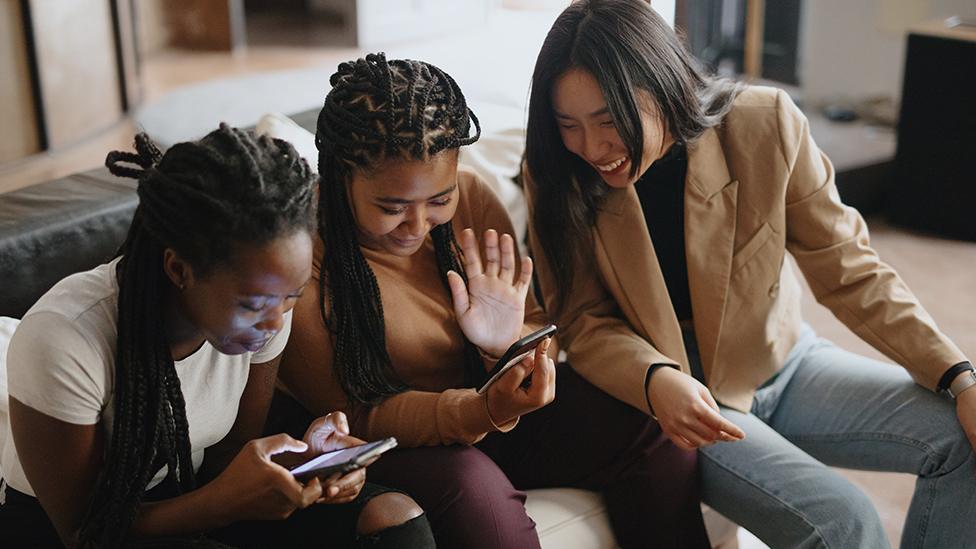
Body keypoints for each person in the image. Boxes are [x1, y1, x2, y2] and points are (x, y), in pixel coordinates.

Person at [523, 1, 976, 547]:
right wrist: (655, 380)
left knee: (963, 434)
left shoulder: (766, 124)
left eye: (609, 119)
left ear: (663, 85)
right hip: (684, 398)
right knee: (845, 519)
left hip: (783, 362)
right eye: (569, 125)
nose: (593, 147)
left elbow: (851, 270)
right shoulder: (558, 175)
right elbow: (582, 320)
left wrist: (958, 375)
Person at [275, 53, 711, 549]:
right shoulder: (301, 250)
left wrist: (507, 346)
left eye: (439, 200)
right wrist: (480, 410)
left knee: (651, 433)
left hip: (483, 407)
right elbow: (354, 410)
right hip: (383, 440)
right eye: (392, 208)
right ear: (339, 178)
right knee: (476, 491)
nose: (418, 227)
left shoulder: (473, 200)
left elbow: (533, 327)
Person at [0, 125, 435, 548]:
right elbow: (83, 530)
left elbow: (230, 458)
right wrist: (223, 504)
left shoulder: (265, 315)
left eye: (291, 297)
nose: (274, 324)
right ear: (178, 269)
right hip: (66, 529)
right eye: (252, 305)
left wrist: (304, 461)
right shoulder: (65, 338)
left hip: (195, 500)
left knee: (393, 520)